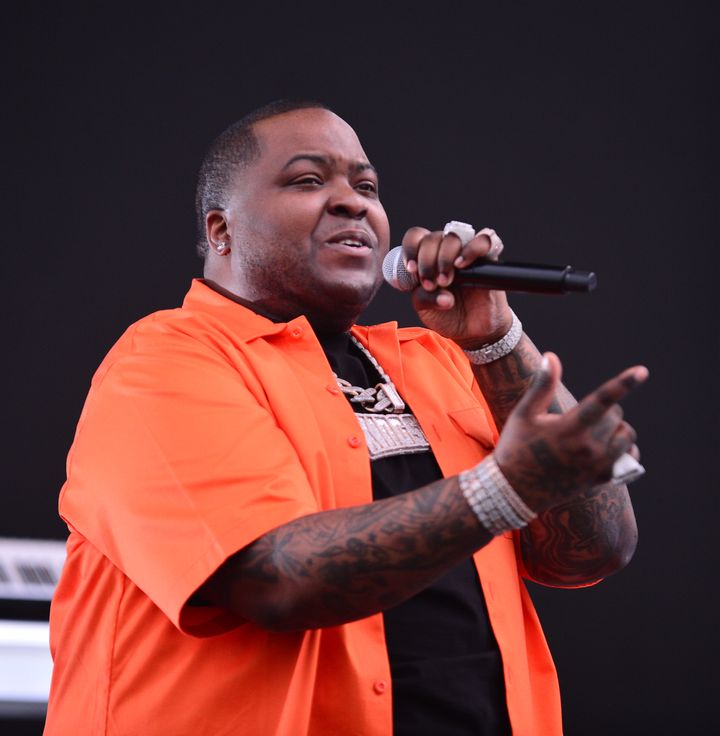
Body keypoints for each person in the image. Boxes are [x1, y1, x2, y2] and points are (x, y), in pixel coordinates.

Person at [44, 100, 647, 736]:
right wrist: (506, 489)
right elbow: (274, 578)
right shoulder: (163, 363)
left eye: (367, 187)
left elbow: (592, 551)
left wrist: (493, 337)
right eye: (308, 180)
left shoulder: (437, 361)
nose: (353, 202)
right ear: (221, 230)